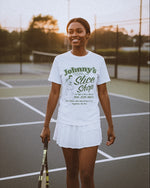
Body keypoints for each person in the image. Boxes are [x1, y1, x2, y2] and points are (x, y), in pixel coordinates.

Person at [40, 17, 115, 188]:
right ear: (67, 35)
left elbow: (103, 93)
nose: (75, 35)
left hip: (90, 123)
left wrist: (110, 124)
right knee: (71, 172)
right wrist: (46, 125)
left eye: (79, 31)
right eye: (71, 31)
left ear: (87, 35)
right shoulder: (60, 60)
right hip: (67, 123)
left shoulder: (98, 60)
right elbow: (54, 93)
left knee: (87, 175)